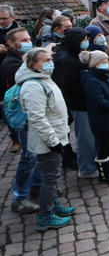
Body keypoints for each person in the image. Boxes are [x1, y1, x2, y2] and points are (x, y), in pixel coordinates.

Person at [17, 47, 76, 231]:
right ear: (33, 64)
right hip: (48, 140)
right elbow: (37, 118)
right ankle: (45, 216)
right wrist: (53, 141)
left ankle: (52, 204)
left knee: (52, 175)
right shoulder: (33, 86)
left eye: (50, 59)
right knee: (50, 178)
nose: (50, 62)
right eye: (45, 60)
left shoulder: (44, 78)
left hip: (56, 135)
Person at [2, 28, 41, 213]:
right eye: (23, 40)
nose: (28, 42)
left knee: (39, 154)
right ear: (11, 43)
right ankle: (19, 197)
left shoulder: (24, 58)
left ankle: (37, 187)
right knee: (28, 157)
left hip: (34, 113)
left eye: (28, 38)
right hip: (25, 116)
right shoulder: (10, 63)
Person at [52, 27, 98, 179]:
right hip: (78, 103)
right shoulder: (66, 60)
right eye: (83, 39)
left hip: (83, 102)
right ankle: (87, 168)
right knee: (85, 137)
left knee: (88, 135)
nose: (86, 42)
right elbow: (68, 84)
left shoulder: (73, 55)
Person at [79, 51, 109, 183]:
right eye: (103, 62)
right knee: (104, 147)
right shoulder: (92, 81)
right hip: (102, 120)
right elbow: (98, 102)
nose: (106, 64)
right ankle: (105, 174)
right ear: (96, 64)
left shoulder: (105, 76)